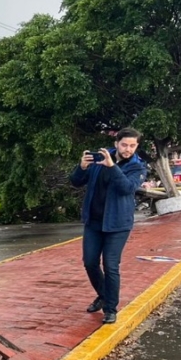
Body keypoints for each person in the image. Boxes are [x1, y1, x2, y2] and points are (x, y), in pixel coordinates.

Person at [70, 127, 147, 324]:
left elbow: (127, 188)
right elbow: (76, 182)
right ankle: (104, 295)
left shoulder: (137, 167)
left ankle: (110, 308)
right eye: (124, 144)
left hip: (118, 224)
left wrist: (112, 166)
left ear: (136, 146)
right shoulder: (100, 159)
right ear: (116, 144)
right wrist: (82, 167)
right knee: (89, 262)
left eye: (132, 145)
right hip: (94, 222)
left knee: (111, 266)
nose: (128, 149)